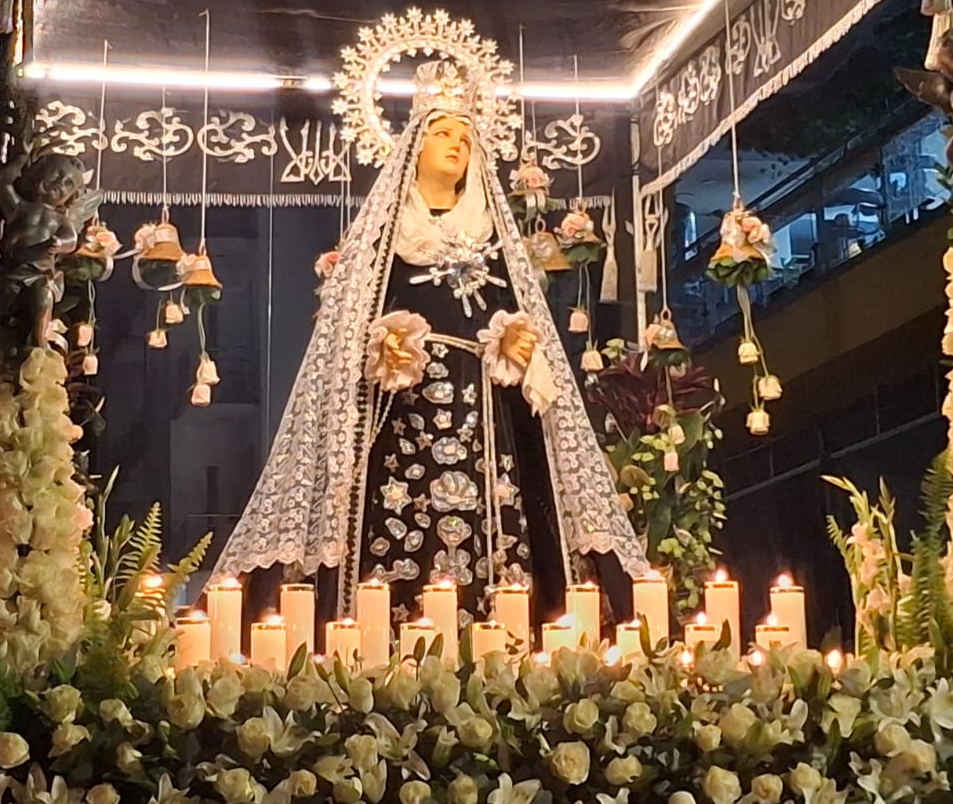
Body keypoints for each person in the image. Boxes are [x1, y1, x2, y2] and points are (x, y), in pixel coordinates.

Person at [214, 60, 645, 625]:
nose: (455, 146)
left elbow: (517, 317)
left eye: (465, 138)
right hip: (405, 413)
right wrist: (382, 347)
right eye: (442, 133)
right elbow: (351, 330)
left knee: (495, 531)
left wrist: (519, 341)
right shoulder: (385, 238)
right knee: (398, 528)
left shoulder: (494, 238)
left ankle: (498, 639)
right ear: (413, 145)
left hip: (487, 417)